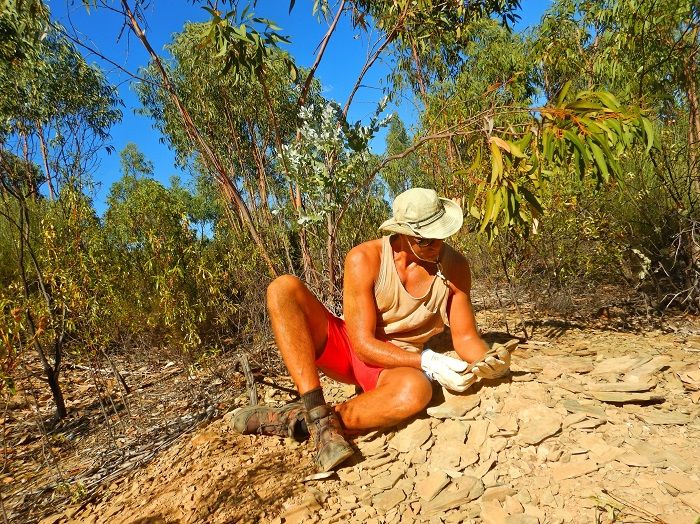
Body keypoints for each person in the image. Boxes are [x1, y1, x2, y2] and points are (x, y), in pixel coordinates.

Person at [231, 188, 510, 472]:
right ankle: (314, 405)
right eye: (425, 240)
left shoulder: (456, 267)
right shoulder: (365, 259)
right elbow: (362, 343)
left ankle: (306, 422)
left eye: (440, 236)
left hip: (394, 362)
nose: (436, 246)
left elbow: (465, 337)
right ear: (402, 234)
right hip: (350, 346)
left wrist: (487, 360)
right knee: (283, 289)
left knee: (414, 391)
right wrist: (428, 361)